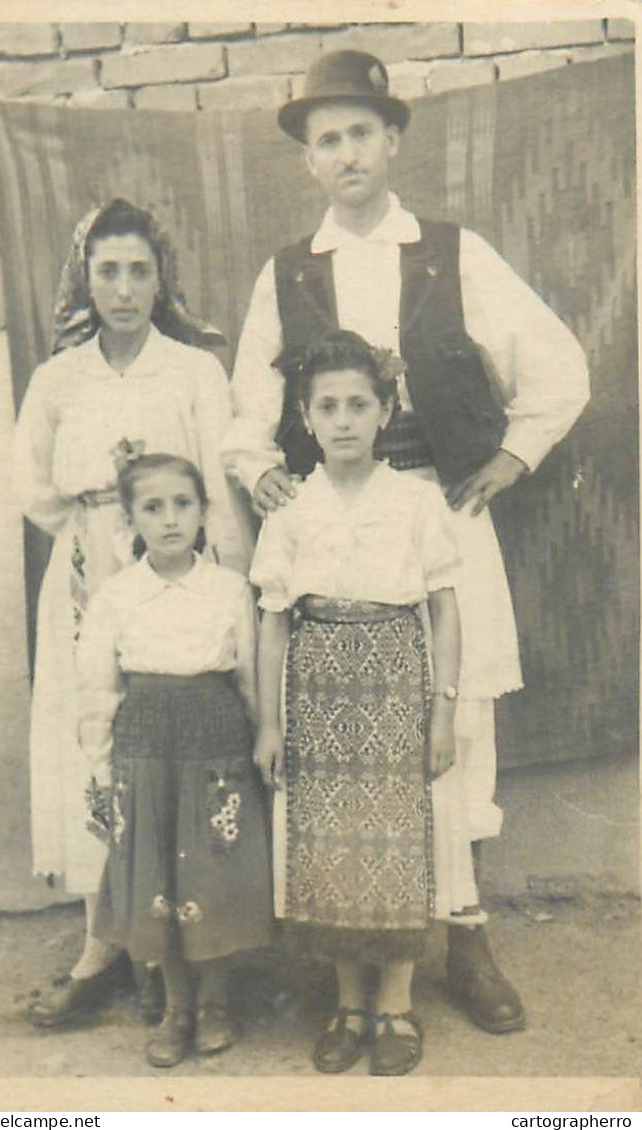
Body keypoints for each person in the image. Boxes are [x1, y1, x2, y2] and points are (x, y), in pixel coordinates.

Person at [222, 49, 591, 1035]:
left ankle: (463, 936)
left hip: (439, 511)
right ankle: (348, 939)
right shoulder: (288, 272)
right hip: (336, 529)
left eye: (358, 132)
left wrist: (510, 457)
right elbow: (244, 416)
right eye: (324, 138)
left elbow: (557, 368)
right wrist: (260, 468)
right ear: (308, 159)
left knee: (455, 725)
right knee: (346, 744)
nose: (344, 152)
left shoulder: (453, 254)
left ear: (393, 140)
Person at [13, 199, 251, 1027]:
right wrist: (94, 542)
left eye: (138, 271)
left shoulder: (193, 372)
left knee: (170, 756)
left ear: (161, 279)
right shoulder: (58, 377)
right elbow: (33, 488)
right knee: (92, 746)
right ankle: (101, 943)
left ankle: (186, 945)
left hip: (177, 579)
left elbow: (218, 498)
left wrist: (211, 588)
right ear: (86, 277)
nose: (122, 288)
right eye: (107, 270)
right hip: (84, 578)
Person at [251, 330, 481, 1075]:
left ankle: (396, 1006)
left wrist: (442, 710)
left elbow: (443, 609)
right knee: (331, 849)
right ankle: (348, 1005)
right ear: (305, 415)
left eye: (359, 404)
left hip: (395, 685)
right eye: (328, 406)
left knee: (397, 844)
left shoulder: (414, 503)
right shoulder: (290, 510)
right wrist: (268, 722)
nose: (343, 419)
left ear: (386, 411)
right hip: (316, 690)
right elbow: (272, 619)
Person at [76, 452, 272, 1068]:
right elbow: (99, 689)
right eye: (152, 507)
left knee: (211, 870)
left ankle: (215, 1002)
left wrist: (263, 735)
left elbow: (248, 676)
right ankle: (175, 1006)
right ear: (130, 519)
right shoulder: (115, 596)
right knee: (157, 873)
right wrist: (103, 768)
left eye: (182, 504)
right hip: (145, 744)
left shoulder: (230, 589)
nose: (169, 520)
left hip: (215, 740)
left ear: (203, 512)